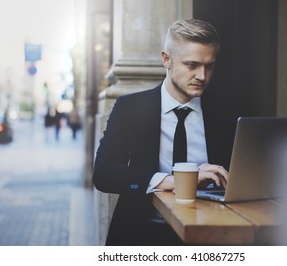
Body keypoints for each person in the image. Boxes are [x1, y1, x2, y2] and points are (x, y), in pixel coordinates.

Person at [93, 19, 237, 245]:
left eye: (209, 66)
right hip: (143, 233)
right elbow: (104, 174)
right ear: (166, 59)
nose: (202, 75)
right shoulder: (130, 108)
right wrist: (174, 181)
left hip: (210, 236)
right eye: (192, 65)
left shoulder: (226, 113)